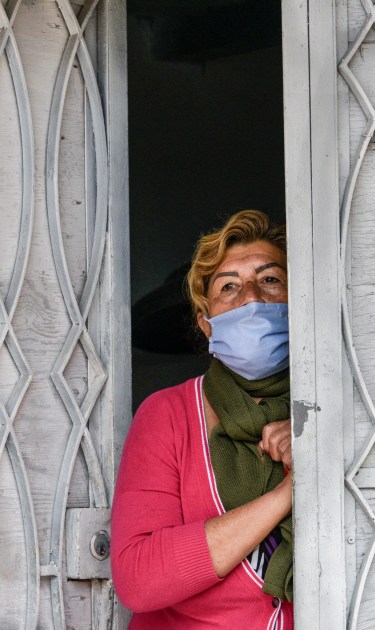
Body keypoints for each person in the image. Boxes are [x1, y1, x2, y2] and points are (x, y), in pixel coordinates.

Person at [111, 210, 293, 629]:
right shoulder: (168, 414)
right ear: (206, 323)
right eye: (229, 286)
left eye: (270, 279)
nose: (250, 297)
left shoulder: (339, 412)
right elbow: (138, 579)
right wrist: (289, 491)